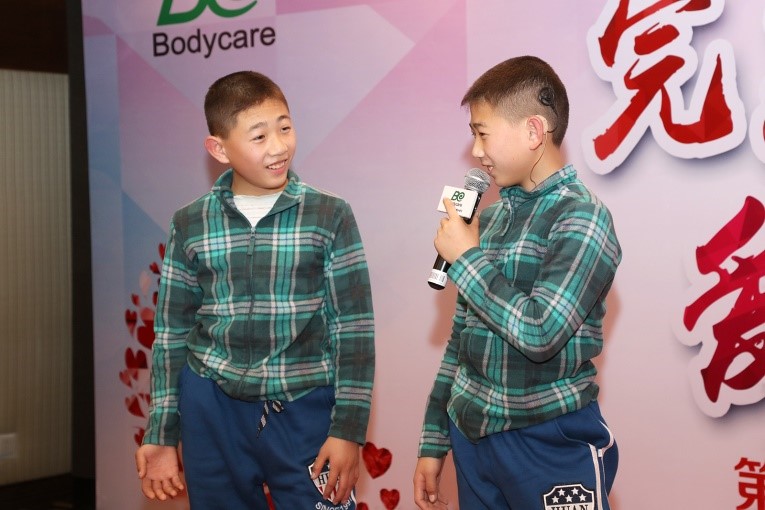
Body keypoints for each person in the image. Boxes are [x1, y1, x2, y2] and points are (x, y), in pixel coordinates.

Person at [135, 70, 375, 510]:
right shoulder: (190, 222)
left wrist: (348, 430)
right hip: (211, 407)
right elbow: (171, 333)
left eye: (285, 127)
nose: (279, 146)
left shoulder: (330, 214)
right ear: (219, 149)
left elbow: (354, 329)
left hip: (304, 404)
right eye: (259, 136)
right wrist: (162, 433)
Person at [413, 55, 622, 509]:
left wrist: (466, 258)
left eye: (482, 133)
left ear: (533, 131)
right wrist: (433, 440)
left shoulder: (582, 217)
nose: (476, 151)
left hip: (548, 439)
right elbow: (460, 344)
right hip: (473, 439)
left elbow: (540, 332)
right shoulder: (488, 220)